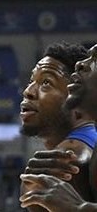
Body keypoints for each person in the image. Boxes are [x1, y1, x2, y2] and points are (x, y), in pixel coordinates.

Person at [21, 43, 97, 211]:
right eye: (31, 81)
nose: (28, 91)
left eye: (46, 82)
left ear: (74, 93)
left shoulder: (68, 160)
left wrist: (79, 208)